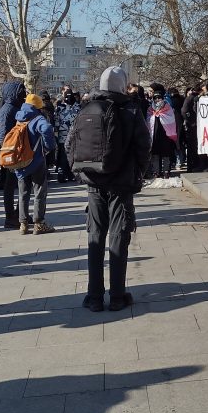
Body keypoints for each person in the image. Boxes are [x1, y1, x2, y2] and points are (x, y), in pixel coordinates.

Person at [67, 66, 150, 313]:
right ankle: (116, 296)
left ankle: (93, 296)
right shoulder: (131, 110)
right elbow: (144, 147)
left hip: (93, 183)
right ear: (122, 85)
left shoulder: (87, 108)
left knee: (94, 237)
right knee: (118, 237)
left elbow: (69, 143)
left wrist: (81, 173)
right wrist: (137, 176)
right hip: (121, 184)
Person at [14, 94, 57, 235]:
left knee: (23, 193)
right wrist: (48, 146)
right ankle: (38, 223)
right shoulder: (38, 118)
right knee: (39, 192)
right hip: (36, 160)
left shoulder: (19, 117)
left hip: (21, 160)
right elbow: (46, 129)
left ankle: (23, 224)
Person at [0, 81, 26, 228]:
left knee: (19, 184)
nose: (23, 94)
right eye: (21, 91)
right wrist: (8, 153)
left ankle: (19, 213)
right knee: (11, 185)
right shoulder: (7, 110)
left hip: (18, 151)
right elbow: (3, 135)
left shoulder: (15, 107)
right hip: (12, 153)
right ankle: (10, 216)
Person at [146, 83, 178, 179]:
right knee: (155, 154)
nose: (157, 100)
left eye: (159, 98)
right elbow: (148, 119)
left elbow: (171, 118)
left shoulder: (167, 107)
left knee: (166, 154)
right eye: (155, 98)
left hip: (165, 134)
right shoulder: (150, 108)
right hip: (155, 135)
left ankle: (166, 171)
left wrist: (160, 115)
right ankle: (156, 171)